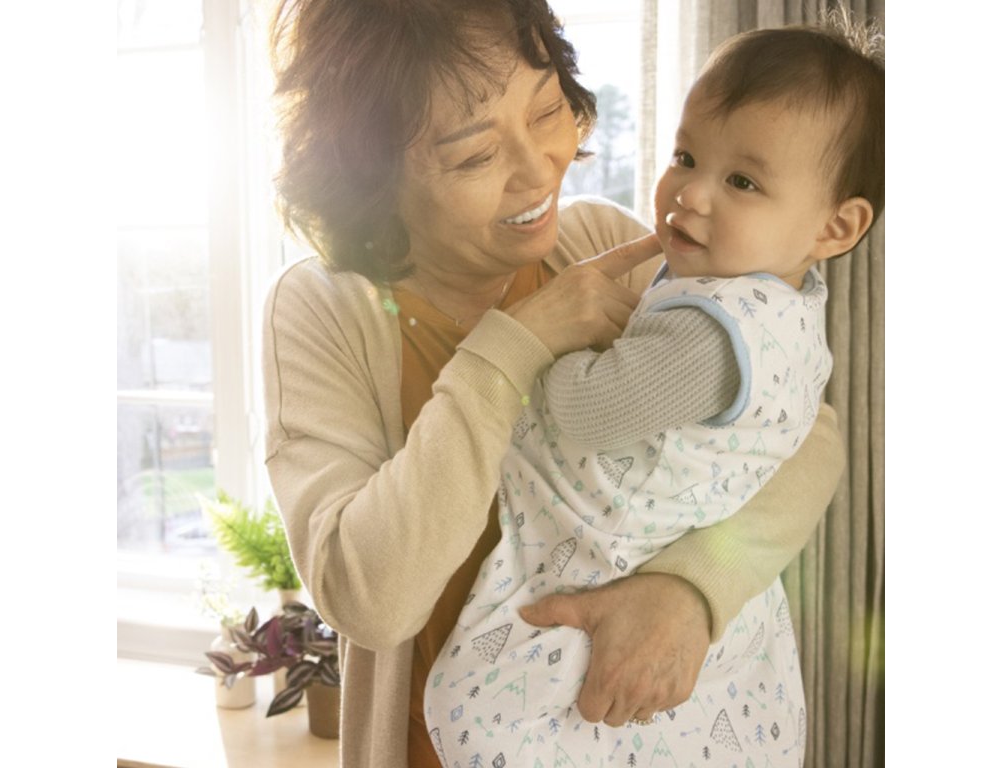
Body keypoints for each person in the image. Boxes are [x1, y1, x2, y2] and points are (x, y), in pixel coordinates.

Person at [261, 2, 846, 766]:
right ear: (374, 179)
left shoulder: (601, 242)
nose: (539, 170)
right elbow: (372, 598)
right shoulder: (325, 313)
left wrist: (695, 590)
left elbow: (806, 434)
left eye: (546, 111)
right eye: (474, 156)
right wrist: (513, 349)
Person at [424, 15, 884, 767]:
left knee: (474, 702)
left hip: (618, 547)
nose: (690, 194)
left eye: (742, 181)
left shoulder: (714, 329)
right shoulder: (779, 304)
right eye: (685, 156)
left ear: (835, 228)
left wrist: (541, 339)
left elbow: (586, 411)